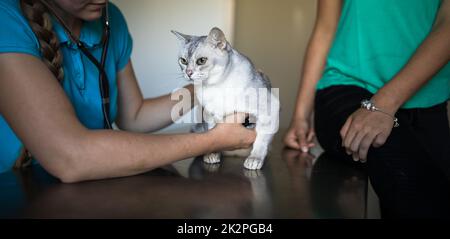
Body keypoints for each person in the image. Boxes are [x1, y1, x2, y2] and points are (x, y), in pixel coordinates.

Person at [0, 0, 256, 183]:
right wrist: (216, 140)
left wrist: (203, 89)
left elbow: (134, 117)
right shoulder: (6, 18)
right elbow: (70, 157)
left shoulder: (111, 19)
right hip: (20, 192)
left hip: (97, 188)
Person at [285, 0, 450, 218]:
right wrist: (300, 117)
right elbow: (325, 29)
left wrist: (384, 104)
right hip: (350, 88)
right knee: (416, 189)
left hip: (427, 100)